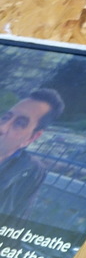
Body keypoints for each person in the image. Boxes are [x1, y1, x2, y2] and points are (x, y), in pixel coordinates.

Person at [0, 88, 65, 218]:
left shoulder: (31, 171)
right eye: (6, 117)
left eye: (20, 124)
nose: (2, 127)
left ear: (31, 138)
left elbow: (16, 222)